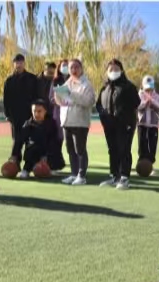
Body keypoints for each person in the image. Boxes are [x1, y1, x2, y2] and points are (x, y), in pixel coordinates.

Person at [97, 59, 140, 189]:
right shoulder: (104, 88)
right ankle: (114, 176)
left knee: (124, 149)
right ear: (106, 71)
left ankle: (124, 177)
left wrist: (125, 115)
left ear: (121, 70)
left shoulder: (128, 86)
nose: (113, 71)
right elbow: (98, 104)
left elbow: (136, 103)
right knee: (112, 150)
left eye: (116, 69)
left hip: (125, 124)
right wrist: (103, 115)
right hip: (109, 124)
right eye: (111, 69)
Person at [56, 57, 94, 186]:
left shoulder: (86, 84)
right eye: (71, 67)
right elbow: (62, 102)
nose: (74, 70)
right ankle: (74, 173)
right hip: (67, 121)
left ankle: (81, 176)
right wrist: (58, 95)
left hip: (80, 122)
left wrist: (72, 94)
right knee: (70, 149)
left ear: (81, 69)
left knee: (80, 150)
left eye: (76, 67)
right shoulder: (67, 83)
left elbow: (89, 101)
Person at [12, 99, 59, 178]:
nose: (36, 114)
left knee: (53, 148)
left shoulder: (51, 124)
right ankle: (26, 169)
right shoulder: (27, 124)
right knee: (31, 147)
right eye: (34, 111)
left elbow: (54, 142)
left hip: (47, 155)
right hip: (31, 155)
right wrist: (14, 156)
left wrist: (46, 156)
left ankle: (49, 168)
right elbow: (19, 141)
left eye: (39, 111)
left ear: (45, 111)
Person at [3, 54, 39, 152]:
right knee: (16, 140)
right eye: (16, 62)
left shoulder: (32, 78)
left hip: (29, 114)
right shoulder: (9, 81)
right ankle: (15, 159)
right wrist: (7, 114)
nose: (18, 65)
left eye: (20, 62)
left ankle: (29, 160)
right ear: (14, 64)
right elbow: (6, 99)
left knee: (30, 140)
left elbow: (36, 96)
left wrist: (36, 112)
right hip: (15, 116)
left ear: (24, 63)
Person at [137, 75, 159, 167]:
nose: (149, 90)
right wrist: (145, 103)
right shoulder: (140, 95)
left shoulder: (157, 97)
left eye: (150, 88)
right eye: (147, 89)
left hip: (153, 125)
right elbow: (137, 106)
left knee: (152, 145)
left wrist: (152, 102)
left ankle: (150, 164)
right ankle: (141, 164)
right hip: (142, 124)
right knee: (142, 145)